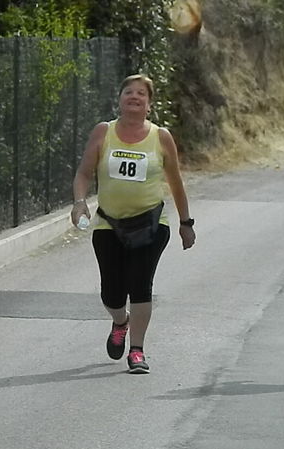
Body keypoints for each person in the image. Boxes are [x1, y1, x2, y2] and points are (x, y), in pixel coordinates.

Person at [71, 74, 196, 374]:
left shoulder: (161, 137)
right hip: (108, 224)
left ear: (149, 105)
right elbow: (84, 173)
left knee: (141, 285)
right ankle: (120, 321)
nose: (135, 97)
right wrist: (79, 203)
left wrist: (185, 222)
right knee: (111, 293)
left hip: (151, 224)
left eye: (142, 93)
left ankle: (137, 350)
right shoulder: (104, 132)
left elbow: (176, 182)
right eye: (129, 92)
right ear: (120, 99)